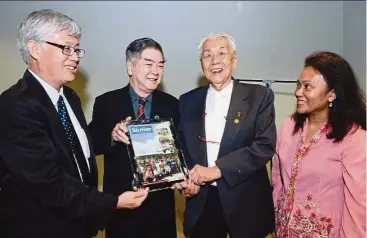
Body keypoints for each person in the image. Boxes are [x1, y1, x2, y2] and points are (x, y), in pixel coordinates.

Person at [0, 9, 148, 238]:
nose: (76, 56)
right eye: (66, 48)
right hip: (40, 227)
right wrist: (113, 202)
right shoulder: (15, 106)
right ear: (35, 49)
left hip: (78, 223)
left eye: (77, 49)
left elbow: (75, 155)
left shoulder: (69, 97)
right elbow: (48, 182)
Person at [175, 32, 276, 238]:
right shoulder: (187, 101)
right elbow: (181, 148)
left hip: (245, 199)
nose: (215, 61)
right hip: (203, 200)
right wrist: (187, 179)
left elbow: (264, 145)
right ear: (201, 64)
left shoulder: (259, 96)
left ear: (234, 59)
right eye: (207, 55)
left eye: (222, 53)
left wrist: (217, 170)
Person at [88, 37, 179, 238]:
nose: (156, 71)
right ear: (131, 66)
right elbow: (91, 144)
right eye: (148, 64)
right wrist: (112, 135)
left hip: (161, 209)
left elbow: (182, 150)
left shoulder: (172, 104)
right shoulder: (106, 102)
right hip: (122, 205)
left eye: (160, 65)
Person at [272, 51, 366, 237]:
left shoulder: (354, 138)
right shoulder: (288, 127)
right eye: (299, 85)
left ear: (332, 94)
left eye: (308, 87)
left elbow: (359, 205)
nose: (298, 92)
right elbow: (277, 181)